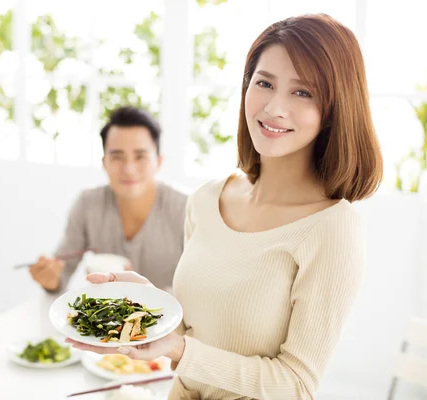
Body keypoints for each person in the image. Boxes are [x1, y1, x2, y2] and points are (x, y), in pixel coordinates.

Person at [66, 14, 383, 400]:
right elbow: (193, 339)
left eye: (303, 92)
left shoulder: (333, 229)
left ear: (334, 109)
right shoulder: (207, 200)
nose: (274, 107)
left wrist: (183, 350)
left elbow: (297, 385)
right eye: (264, 83)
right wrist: (150, 304)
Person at [30, 106, 188, 292]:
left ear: (158, 162)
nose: (129, 169)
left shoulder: (187, 208)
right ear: (104, 163)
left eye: (140, 157)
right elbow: (62, 274)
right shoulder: (87, 204)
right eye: (117, 157)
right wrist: (50, 279)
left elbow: (202, 289)